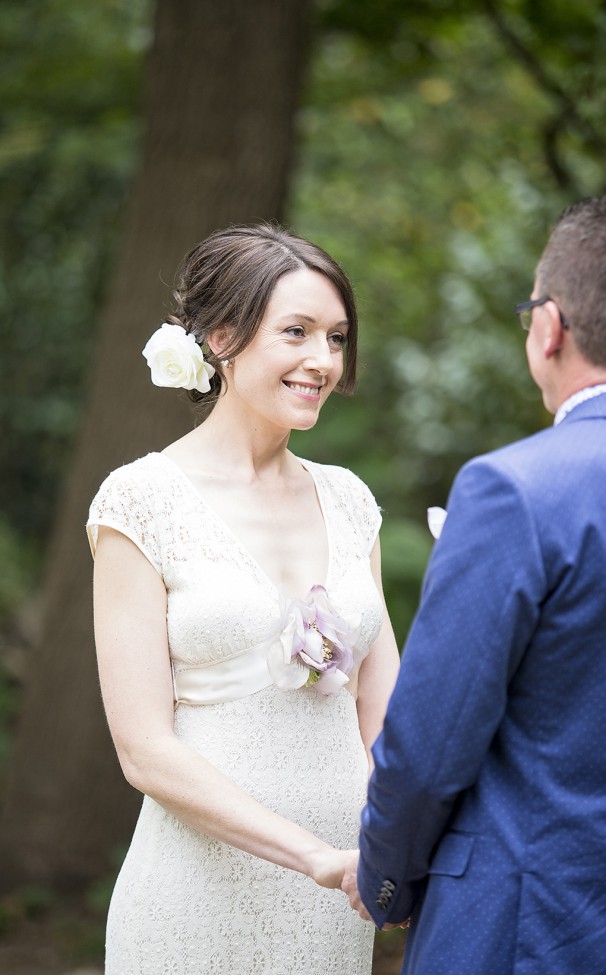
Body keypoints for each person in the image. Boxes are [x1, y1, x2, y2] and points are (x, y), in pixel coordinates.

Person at [346, 195, 606, 974]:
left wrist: (386, 879)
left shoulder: (517, 491)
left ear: (549, 326)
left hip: (530, 927)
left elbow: (431, 742)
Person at [86, 223, 399, 975]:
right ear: (221, 337)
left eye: (336, 337)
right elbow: (144, 750)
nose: (322, 360)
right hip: (196, 895)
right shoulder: (141, 500)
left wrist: (394, 847)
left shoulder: (351, 501)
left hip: (339, 900)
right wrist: (311, 856)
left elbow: (385, 714)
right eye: (297, 332)